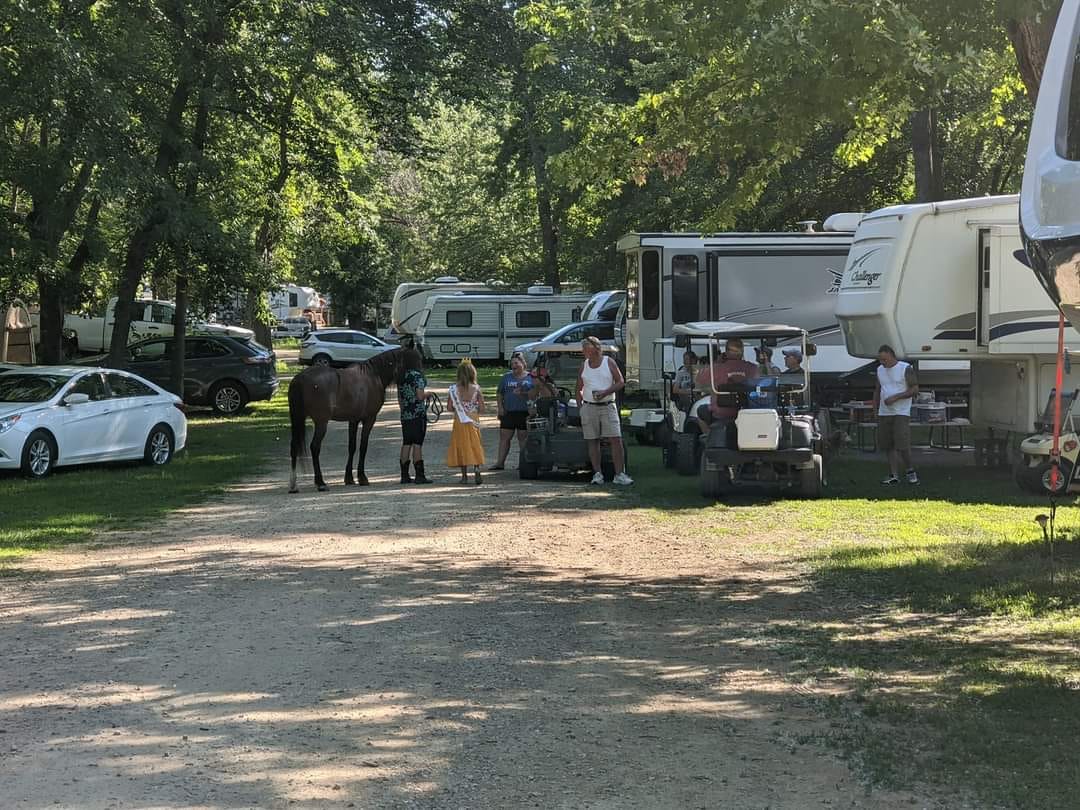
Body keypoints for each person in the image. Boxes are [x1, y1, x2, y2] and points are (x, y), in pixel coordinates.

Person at [577, 336, 633, 486]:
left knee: (615, 439)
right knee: (592, 440)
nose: (583, 350)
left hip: (608, 405)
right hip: (589, 406)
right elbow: (579, 386)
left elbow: (620, 382)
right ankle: (597, 473)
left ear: (595, 348)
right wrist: (580, 407)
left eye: (586, 347)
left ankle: (620, 474)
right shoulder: (584, 365)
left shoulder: (608, 362)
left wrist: (605, 392)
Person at [873, 344, 919, 485]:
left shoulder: (905, 368)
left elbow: (915, 389)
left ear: (892, 356)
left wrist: (896, 397)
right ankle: (894, 475)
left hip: (901, 412)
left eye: (885, 359)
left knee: (902, 444)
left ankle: (910, 471)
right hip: (884, 412)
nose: (882, 363)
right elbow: (877, 390)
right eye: (880, 360)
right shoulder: (880, 370)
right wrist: (875, 408)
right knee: (888, 445)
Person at [695, 337, 758, 436]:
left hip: (721, 413)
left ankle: (708, 437)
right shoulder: (753, 368)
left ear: (727, 352)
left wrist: (717, 362)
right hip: (746, 411)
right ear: (742, 352)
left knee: (700, 410)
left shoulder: (717, 368)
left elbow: (699, 379)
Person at [447, 359, 486, 485]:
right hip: (473, 419)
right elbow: (482, 408)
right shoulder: (477, 388)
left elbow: (449, 408)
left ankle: (464, 476)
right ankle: (476, 468)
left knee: (461, 445)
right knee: (475, 444)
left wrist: (459, 407)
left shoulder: (453, 389)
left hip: (460, 420)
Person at [492, 353, 533, 470]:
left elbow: (534, 394)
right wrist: (500, 407)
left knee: (523, 438)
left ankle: (523, 463)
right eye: (512, 363)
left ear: (523, 364)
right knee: (505, 438)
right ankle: (500, 463)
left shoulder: (530, 377)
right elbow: (500, 393)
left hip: (524, 412)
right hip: (508, 412)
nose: (514, 366)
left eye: (516, 363)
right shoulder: (506, 377)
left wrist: (523, 394)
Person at [397, 348, 432, 484]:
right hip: (417, 414)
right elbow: (420, 395)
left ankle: (404, 475)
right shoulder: (417, 376)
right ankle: (419, 475)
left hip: (405, 414)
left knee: (406, 443)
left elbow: (400, 398)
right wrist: (428, 394)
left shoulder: (401, 376)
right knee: (417, 444)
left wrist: (404, 410)